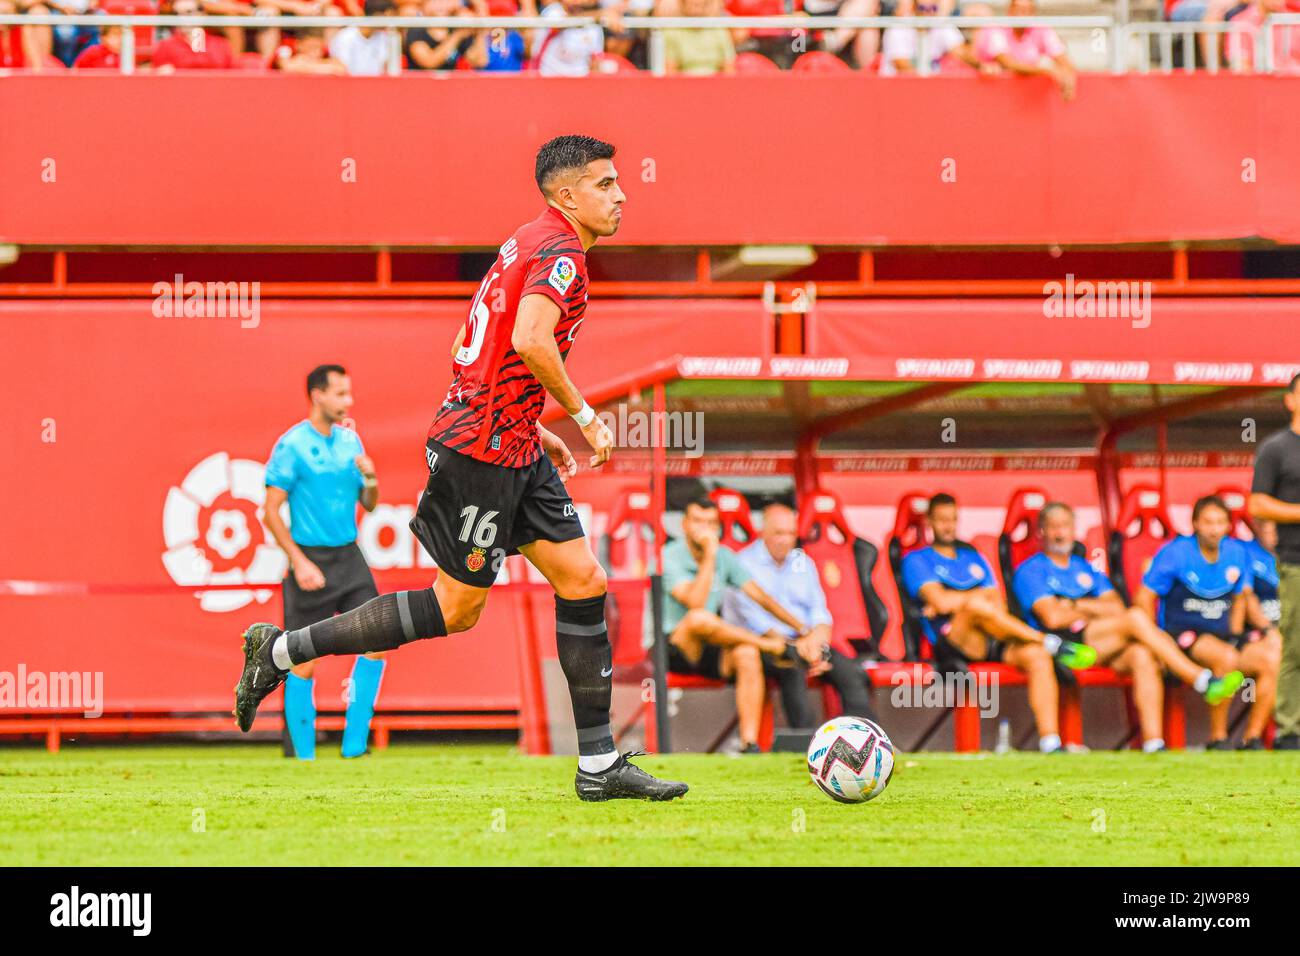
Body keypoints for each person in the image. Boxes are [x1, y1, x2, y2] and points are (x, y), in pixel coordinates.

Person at [235, 135, 689, 802]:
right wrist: (584, 416)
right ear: (568, 195)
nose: (621, 196)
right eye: (606, 184)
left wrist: (531, 423)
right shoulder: (560, 252)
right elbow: (531, 340)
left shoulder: (525, 241)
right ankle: (279, 652)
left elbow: (470, 345)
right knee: (456, 610)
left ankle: (598, 765)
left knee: (583, 579)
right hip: (479, 452)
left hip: (511, 444)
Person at [1012, 502, 1243, 753]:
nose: (1060, 533)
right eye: (1053, 527)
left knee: (1142, 655)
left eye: (1065, 526)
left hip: (1100, 644)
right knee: (1134, 618)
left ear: (1073, 530)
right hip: (1066, 646)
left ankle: (1154, 744)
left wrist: (1074, 603)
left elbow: (1116, 607)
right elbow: (1053, 617)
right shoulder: (1031, 569)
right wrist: (1092, 608)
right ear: (1041, 531)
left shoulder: (1085, 568)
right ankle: (1201, 679)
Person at [901, 493, 1097, 753]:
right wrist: (968, 599)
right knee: (975, 607)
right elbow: (941, 602)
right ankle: (1047, 639)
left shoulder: (974, 558)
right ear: (930, 522)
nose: (948, 526)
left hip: (992, 635)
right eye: (942, 520)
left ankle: (1051, 743)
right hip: (952, 641)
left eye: (953, 519)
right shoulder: (917, 559)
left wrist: (955, 600)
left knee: (1037, 656)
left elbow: (997, 602)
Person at [262, 365, 387, 760]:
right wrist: (298, 563)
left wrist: (370, 479)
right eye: (339, 394)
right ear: (317, 396)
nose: (347, 402)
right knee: (303, 661)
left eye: (349, 394)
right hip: (310, 559)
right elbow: (269, 511)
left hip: (349, 557)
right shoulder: (292, 445)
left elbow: (369, 503)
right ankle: (302, 755)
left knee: (379, 640)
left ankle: (355, 746)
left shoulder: (351, 442)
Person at [661, 497, 816, 753]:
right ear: (685, 524)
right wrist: (710, 555)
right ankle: (775, 647)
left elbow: (763, 598)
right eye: (698, 521)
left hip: (711, 643)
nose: (705, 529)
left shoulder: (725, 556)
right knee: (699, 618)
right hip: (675, 645)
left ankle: (749, 744)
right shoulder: (670, 555)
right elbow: (695, 602)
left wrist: (804, 631)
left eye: (711, 523)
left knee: (747, 653)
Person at [1135, 495, 1277, 749]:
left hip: (1224, 634)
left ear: (1227, 525)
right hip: (1184, 634)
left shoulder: (1236, 552)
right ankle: (1218, 737)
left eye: (1220, 522)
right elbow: (1144, 597)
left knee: (1271, 659)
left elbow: (1241, 598)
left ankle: (1251, 739)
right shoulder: (1175, 553)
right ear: (1195, 524)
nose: (1214, 529)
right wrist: (1155, 640)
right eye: (1208, 522)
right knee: (1226, 658)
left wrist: (1247, 635)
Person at [726, 503, 879, 731]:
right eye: (779, 533)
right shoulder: (742, 563)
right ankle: (806, 743)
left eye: (790, 533)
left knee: (850, 672)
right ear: (763, 533)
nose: (785, 540)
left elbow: (820, 612)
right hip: (764, 645)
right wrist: (799, 649)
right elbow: (755, 621)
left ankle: (864, 737)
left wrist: (815, 645)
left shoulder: (802, 562)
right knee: (792, 665)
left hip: (808, 641)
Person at [1248, 372, 1300, 749]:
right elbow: (1257, 503)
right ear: (1290, 400)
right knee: (1296, 645)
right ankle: (1290, 729)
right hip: (1296, 560)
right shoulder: (1276, 448)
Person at [973, 0, 1075, 99]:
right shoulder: (995, 30)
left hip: (1024, 98)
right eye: (1018, 9)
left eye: (1027, 11)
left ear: (1033, 13)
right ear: (1009, 10)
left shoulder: (1041, 29)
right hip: (990, 95)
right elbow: (1009, 63)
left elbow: (1063, 60)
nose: (1021, 15)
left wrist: (1068, 77)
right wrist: (1048, 70)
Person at [879, 0, 981, 75]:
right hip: (896, 89)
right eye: (922, 8)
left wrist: (981, 66)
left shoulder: (941, 25)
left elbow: (962, 52)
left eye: (933, 8)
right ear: (913, 7)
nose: (927, 12)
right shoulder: (898, 28)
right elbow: (902, 66)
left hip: (928, 89)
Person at [662, 0, 735, 75]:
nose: (697, 10)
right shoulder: (672, 32)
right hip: (685, 83)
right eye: (692, 5)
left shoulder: (720, 31)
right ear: (683, 6)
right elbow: (670, 71)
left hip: (715, 82)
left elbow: (729, 68)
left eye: (701, 5)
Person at [329, 0, 395, 74]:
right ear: (377, 15)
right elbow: (340, 69)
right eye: (388, 16)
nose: (390, 21)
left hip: (376, 84)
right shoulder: (345, 37)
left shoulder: (385, 38)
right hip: (349, 83)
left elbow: (388, 70)